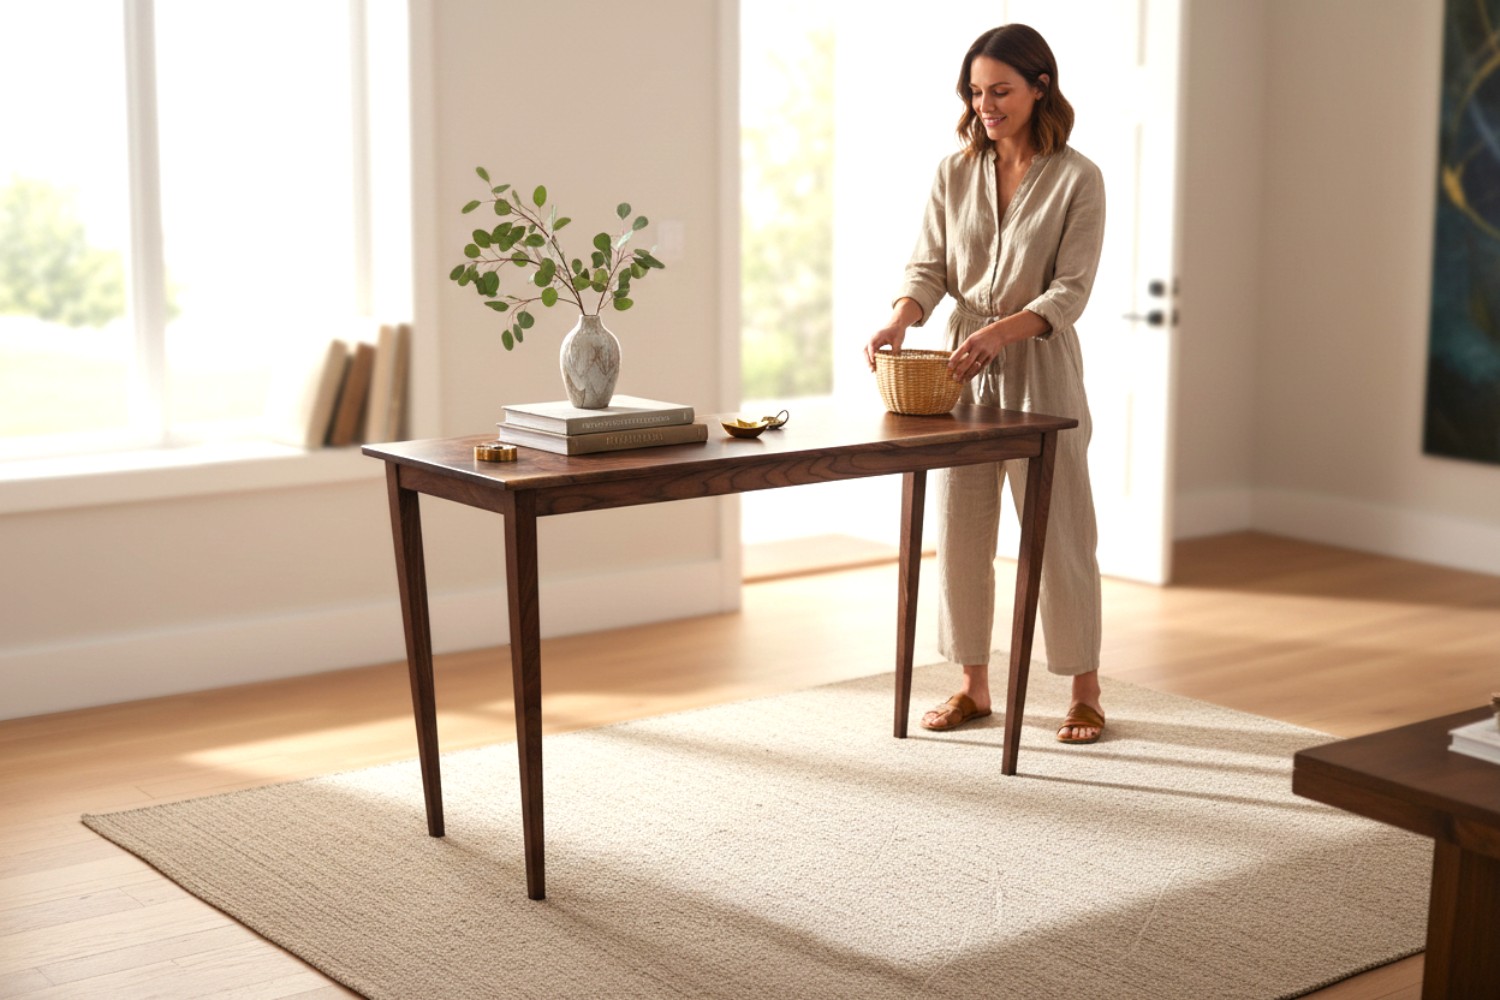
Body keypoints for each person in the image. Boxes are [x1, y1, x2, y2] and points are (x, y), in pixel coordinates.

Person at [863, 23, 1107, 745]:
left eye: (1000, 90)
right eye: (976, 91)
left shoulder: (1077, 178)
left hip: (1039, 368)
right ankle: (973, 685)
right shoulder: (954, 171)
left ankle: (1084, 690)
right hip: (958, 376)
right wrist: (901, 319)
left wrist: (1001, 331)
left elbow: (1071, 291)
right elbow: (930, 267)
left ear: (1040, 87)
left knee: (1058, 533)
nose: (986, 105)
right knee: (961, 528)